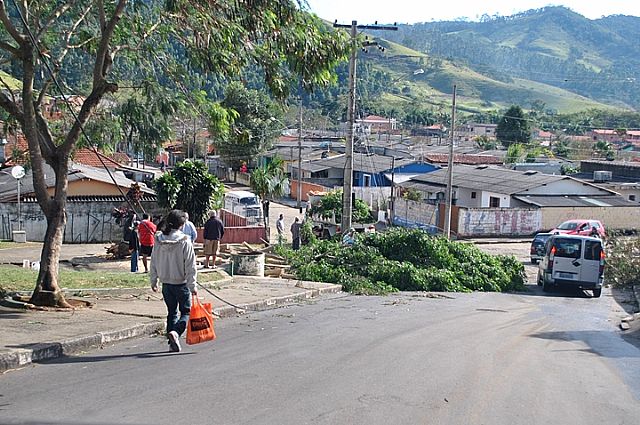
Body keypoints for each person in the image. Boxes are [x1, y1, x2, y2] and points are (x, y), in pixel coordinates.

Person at [150, 210, 197, 353]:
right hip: (181, 283)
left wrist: (154, 280)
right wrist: (193, 285)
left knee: (171, 312)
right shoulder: (185, 241)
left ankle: (172, 344)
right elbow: (190, 265)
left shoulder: (159, 239)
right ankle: (176, 333)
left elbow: (153, 261)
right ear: (182, 224)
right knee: (186, 312)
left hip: (166, 284)